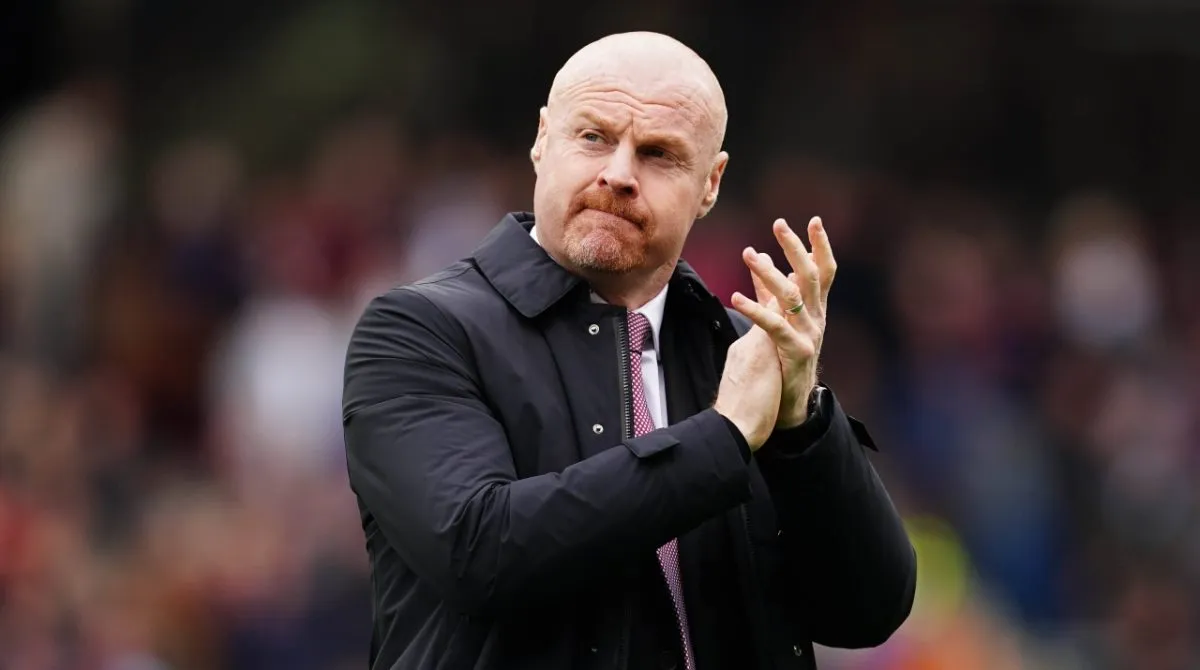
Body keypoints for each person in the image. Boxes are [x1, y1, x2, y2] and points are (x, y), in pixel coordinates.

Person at [342, 31, 916, 670]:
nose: (618, 175)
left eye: (658, 154)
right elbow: (481, 555)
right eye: (594, 137)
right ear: (542, 140)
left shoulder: (743, 353)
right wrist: (722, 440)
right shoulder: (418, 329)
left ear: (710, 184)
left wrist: (803, 426)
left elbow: (868, 611)